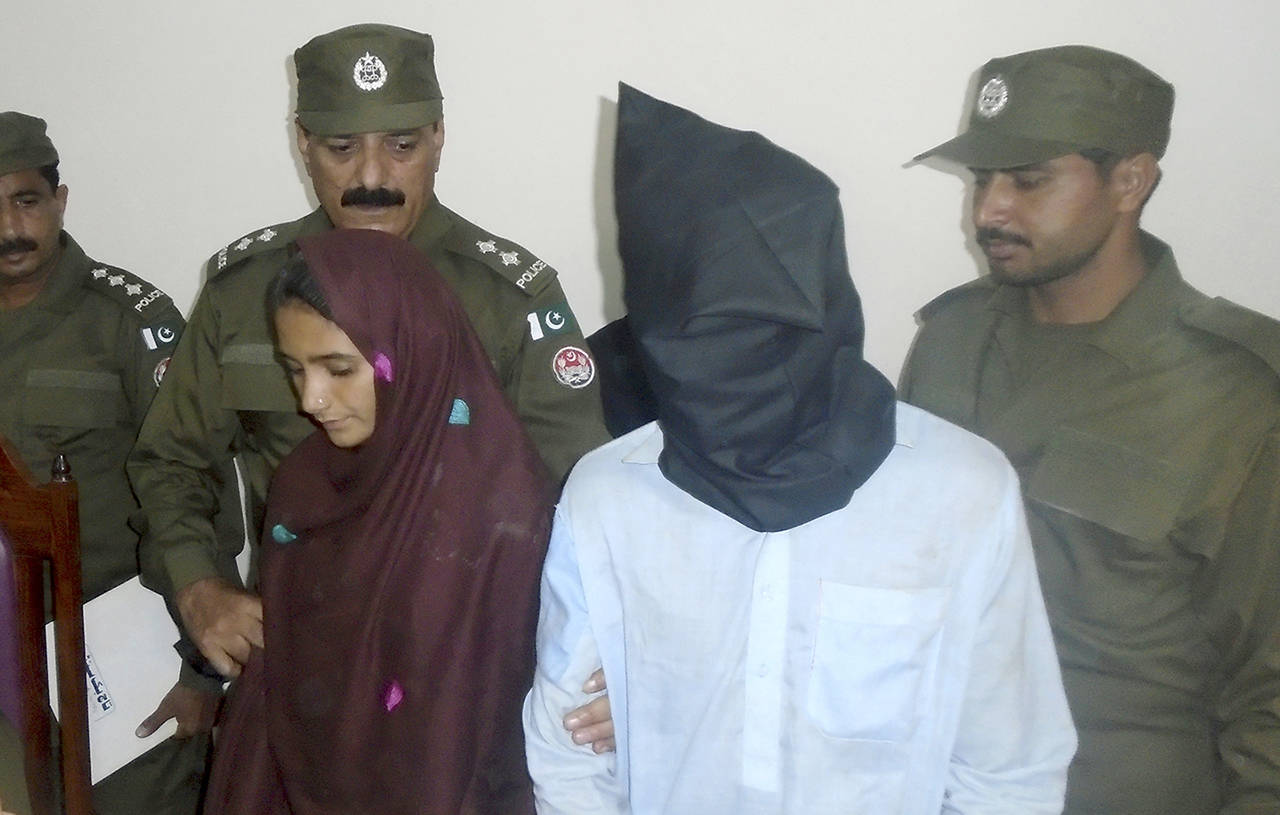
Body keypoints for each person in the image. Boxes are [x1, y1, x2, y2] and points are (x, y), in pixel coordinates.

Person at [523, 84, 1076, 814]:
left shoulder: (960, 494)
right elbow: (567, 758)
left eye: (757, 344)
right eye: (694, 348)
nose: (725, 381)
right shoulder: (610, 495)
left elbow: (1008, 773)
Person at [127, 24, 609, 692]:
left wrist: (600, 654)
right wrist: (199, 587)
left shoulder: (507, 299)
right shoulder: (245, 292)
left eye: (403, 146)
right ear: (302, 144)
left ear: (439, 137)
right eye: (341, 148)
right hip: (298, 657)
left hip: (466, 668)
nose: (372, 179)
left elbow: (586, 498)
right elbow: (172, 460)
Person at [901, 45, 1280, 814]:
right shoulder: (949, 340)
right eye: (982, 179)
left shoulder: (1236, 392)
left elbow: (1269, 682)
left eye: (1029, 180)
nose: (988, 211)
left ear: (1130, 181)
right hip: (926, 777)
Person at [203, 228, 551, 813]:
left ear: (416, 351)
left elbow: (481, 734)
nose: (310, 400)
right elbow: (284, 683)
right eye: (295, 369)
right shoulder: (304, 484)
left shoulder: (501, 510)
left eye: (339, 369)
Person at [0, 111, 215, 814]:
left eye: (26, 201)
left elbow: (195, 489)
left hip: (120, 660)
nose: (9, 227)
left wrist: (202, 671)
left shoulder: (130, 320)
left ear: (59, 201)